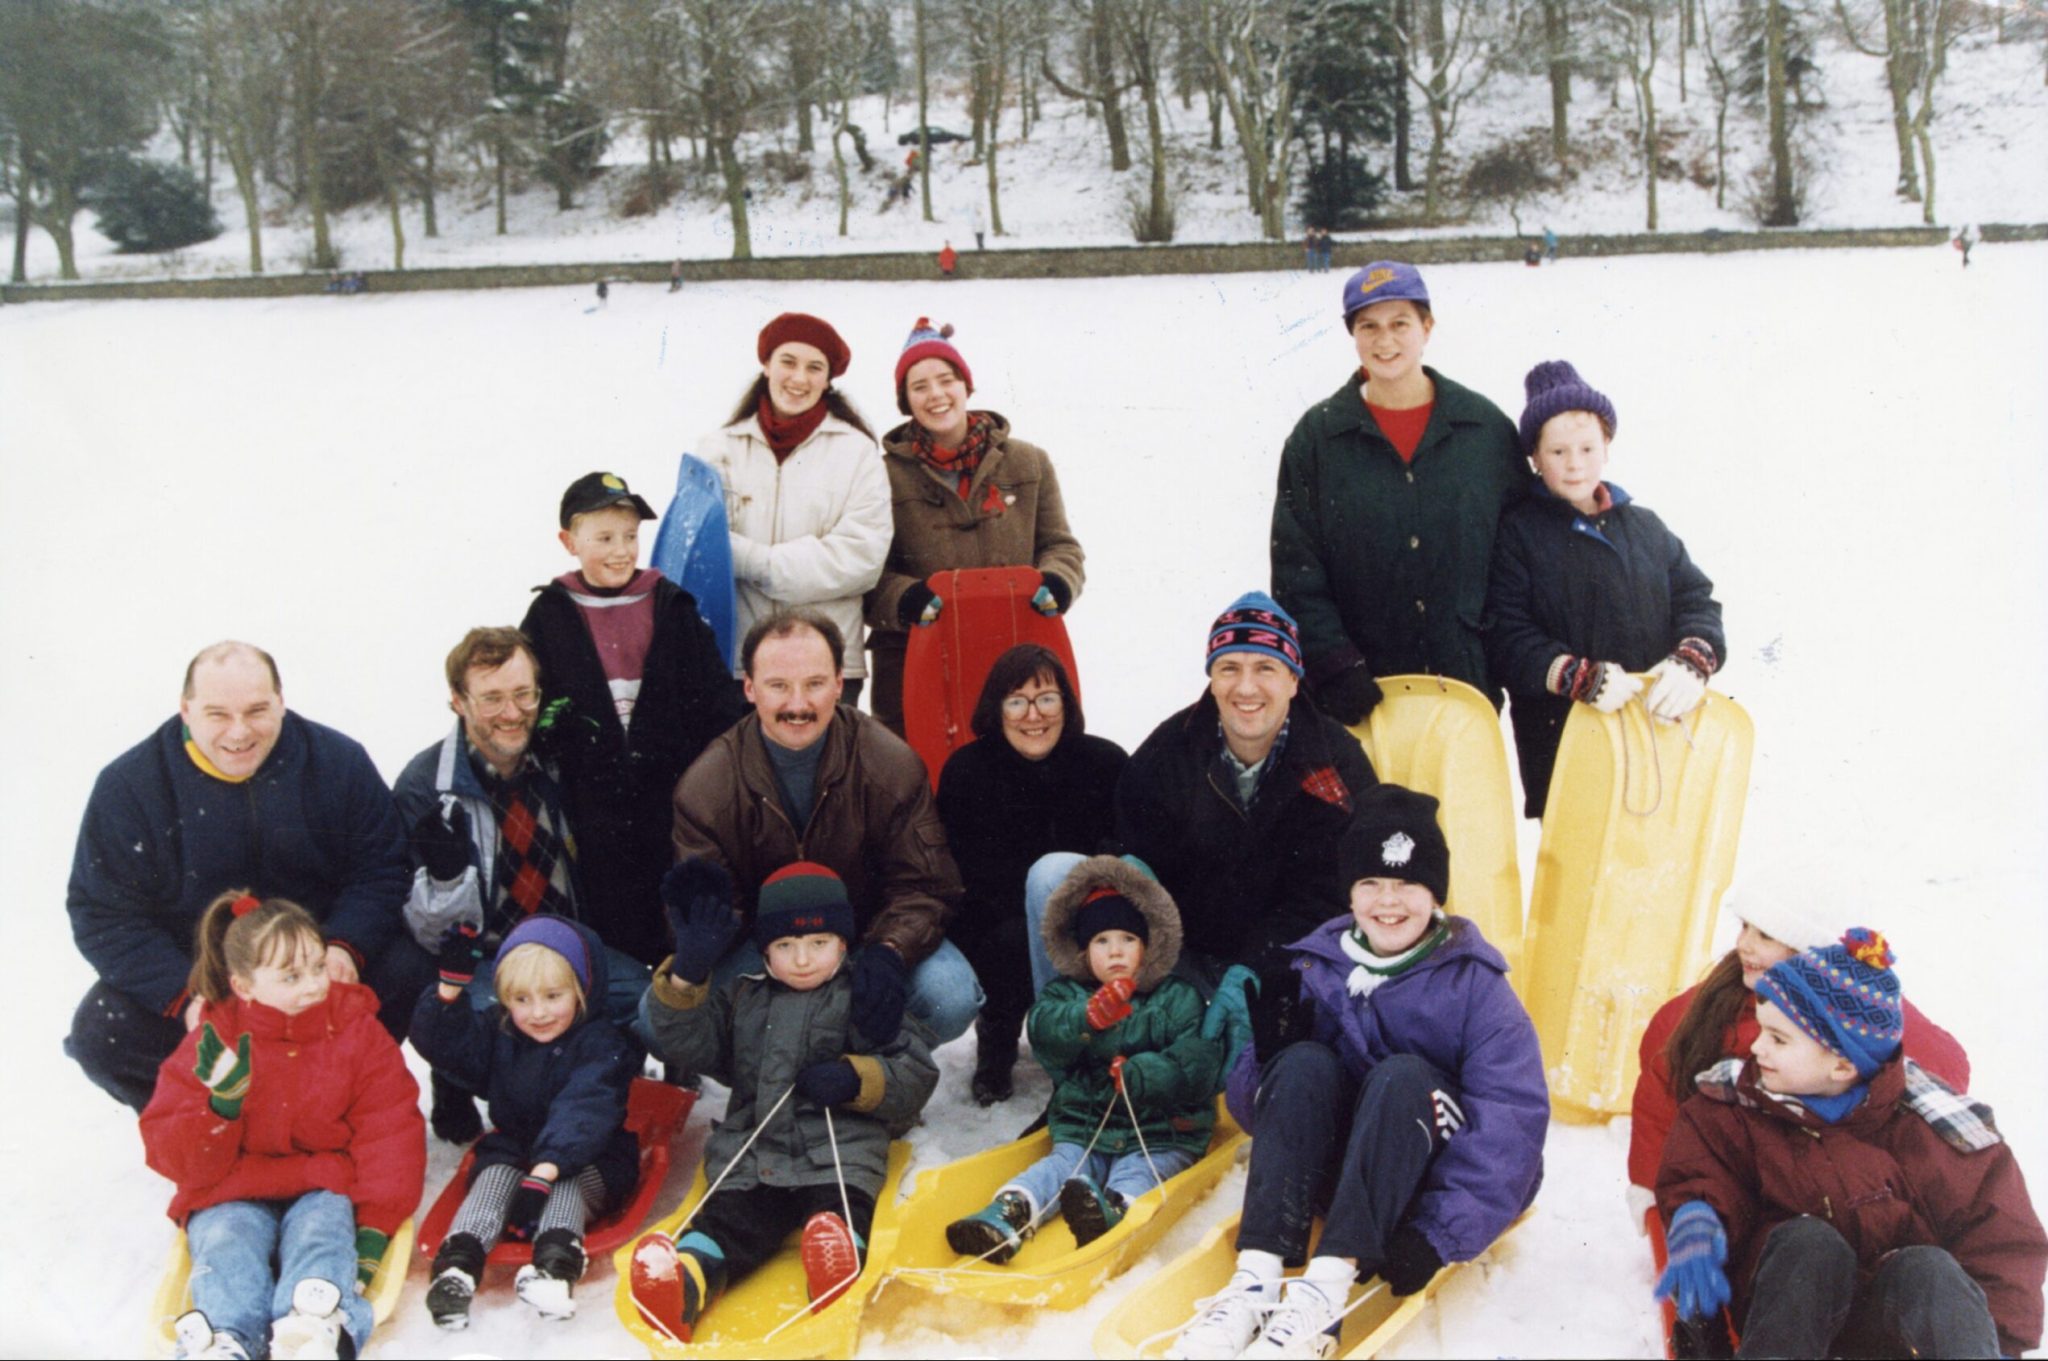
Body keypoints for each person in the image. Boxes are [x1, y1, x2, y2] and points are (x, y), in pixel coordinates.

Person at [1170, 786, 1547, 1360]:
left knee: (1401, 1077)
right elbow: (1258, 1115)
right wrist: (1268, 1060)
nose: (1388, 902)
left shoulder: (1474, 984)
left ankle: (1321, 1302)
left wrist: (1439, 1232)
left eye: (1407, 885)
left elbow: (1511, 1122)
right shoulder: (1314, 964)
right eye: (1371, 883)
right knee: (1301, 1064)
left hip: (1428, 1182)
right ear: (1349, 892)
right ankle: (1256, 1280)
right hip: (1344, 1177)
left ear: (1435, 895)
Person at [1655, 930, 2045, 1359]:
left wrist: (1995, 1342)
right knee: (1808, 1243)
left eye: (1778, 1039)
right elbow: (1701, 1172)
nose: (1756, 1046)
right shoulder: (1735, 1108)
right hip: (1785, 1319)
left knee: (1928, 1269)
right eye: (1763, 1029)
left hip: (1895, 1330)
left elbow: (2001, 1243)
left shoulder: (1932, 1128)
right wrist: (1697, 1219)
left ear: (1842, 1065)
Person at [65, 641, 416, 1112]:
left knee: (413, 969)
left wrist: (343, 946)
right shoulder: (130, 787)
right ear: (185, 710)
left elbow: (382, 866)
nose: (239, 732)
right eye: (217, 714)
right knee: (102, 1031)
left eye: (257, 711)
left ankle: (336, 1095)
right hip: (202, 976)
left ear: (281, 702)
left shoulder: (337, 763)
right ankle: (208, 1116)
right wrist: (184, 994)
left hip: (313, 972)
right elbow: (105, 913)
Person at [629, 861, 939, 1342]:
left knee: (838, 1211)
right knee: (729, 1223)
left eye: (819, 944)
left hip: (839, 1152)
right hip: (755, 1155)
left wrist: (857, 1078)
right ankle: (687, 1278)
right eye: (786, 946)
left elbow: (915, 1071)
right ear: (765, 951)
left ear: (843, 943)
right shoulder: (744, 999)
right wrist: (687, 978)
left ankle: (835, 1262)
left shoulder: (865, 995)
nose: (802, 959)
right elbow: (692, 1044)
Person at [1026, 592, 1374, 1002]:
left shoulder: (1334, 762)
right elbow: (1132, 862)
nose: (1246, 687)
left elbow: (1333, 897)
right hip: (1181, 958)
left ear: (1293, 680)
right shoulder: (1168, 751)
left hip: (1284, 959)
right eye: (1229, 668)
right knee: (1054, 873)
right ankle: (1077, 1038)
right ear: (1212, 677)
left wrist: (1255, 968)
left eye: (1265, 667)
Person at [670, 610, 982, 1044]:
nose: (798, 705)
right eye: (778, 686)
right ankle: (774, 1074)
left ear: (840, 683)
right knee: (671, 1017)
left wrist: (888, 951)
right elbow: (718, 912)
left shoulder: (889, 763)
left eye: (815, 684)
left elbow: (926, 885)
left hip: (865, 937)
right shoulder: (707, 787)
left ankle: (876, 1072)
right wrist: (782, 958)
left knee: (949, 995)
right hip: (768, 948)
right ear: (749, 688)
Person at [142, 891, 424, 1361]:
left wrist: (374, 1226)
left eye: (317, 967)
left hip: (319, 1180)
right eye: (291, 976)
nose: (313, 985)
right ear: (245, 986)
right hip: (232, 1186)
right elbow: (174, 1157)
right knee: (226, 1241)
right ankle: (226, 1338)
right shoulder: (215, 1042)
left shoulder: (355, 1031)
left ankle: (310, 1327)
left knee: (323, 1230)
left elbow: (390, 1128)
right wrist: (220, 1109)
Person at [1627, 880, 1972, 1230]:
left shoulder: (1856, 1011)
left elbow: (1942, 1065)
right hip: (1718, 1206)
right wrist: (1653, 1189)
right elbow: (1661, 1100)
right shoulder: (1710, 1008)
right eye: (1745, 927)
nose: (1743, 944)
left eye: (1766, 935)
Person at [1270, 261, 1530, 723]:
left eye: (1399, 324)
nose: (1384, 341)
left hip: (1467, 685)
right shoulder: (1317, 438)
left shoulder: (1484, 429)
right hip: (1361, 692)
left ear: (1427, 328)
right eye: (1368, 326)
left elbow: (1524, 555)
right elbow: (1296, 569)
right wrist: (1334, 666)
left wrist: (1501, 652)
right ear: (1352, 334)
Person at [519, 473, 743, 973]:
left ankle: (681, 1026)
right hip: (591, 806)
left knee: (675, 921)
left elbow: (714, 699)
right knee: (608, 931)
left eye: (630, 536)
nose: (621, 551)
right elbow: (534, 699)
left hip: (671, 799)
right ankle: (618, 1034)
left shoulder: (671, 605)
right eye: (604, 538)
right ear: (569, 542)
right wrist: (555, 726)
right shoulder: (548, 614)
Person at [948, 857, 1223, 1261]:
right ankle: (1010, 1209)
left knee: (1139, 1172)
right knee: (1060, 1169)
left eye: (1127, 940)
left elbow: (1197, 1063)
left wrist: (1144, 1074)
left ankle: (1113, 1210)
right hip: (1087, 1129)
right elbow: (1045, 1031)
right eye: (1101, 941)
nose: (1115, 952)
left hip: (1161, 1134)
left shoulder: (1177, 997)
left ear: (1149, 945)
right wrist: (1086, 1018)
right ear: (1082, 949)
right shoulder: (1066, 996)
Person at [1484, 360, 1726, 817]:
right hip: (1567, 745)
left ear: (1607, 447)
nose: (1574, 464)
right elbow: (1506, 635)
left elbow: (1697, 599)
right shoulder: (1518, 535)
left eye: (1586, 448)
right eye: (1557, 452)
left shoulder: (1646, 529)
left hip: (1659, 734)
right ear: (1534, 457)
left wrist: (1693, 660)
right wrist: (1577, 677)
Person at [414, 915, 639, 1329]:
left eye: (553, 996)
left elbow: (585, 1108)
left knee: (566, 1190)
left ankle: (554, 1268)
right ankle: (458, 1268)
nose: (538, 1014)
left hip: (589, 1154)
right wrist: (448, 991)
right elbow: (449, 1049)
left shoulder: (599, 1042)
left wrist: (546, 1170)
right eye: (521, 1000)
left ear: (582, 990)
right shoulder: (501, 1032)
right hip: (517, 1145)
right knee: (492, 1179)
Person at [865, 318, 1086, 735]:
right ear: (905, 400)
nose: (936, 395)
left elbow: (1061, 546)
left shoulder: (1029, 462)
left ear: (966, 386)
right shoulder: (880, 476)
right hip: (919, 659)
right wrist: (904, 598)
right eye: (919, 386)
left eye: (946, 380)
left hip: (1018, 653)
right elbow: (867, 572)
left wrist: (1058, 580)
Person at [938, 645, 1125, 1104]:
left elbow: (1124, 848)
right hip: (1000, 919)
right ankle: (998, 1039)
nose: (1032, 715)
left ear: (1067, 703)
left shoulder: (1106, 762)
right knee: (1008, 940)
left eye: (1046, 698)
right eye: (1016, 701)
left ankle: (1103, 1044)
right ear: (996, 709)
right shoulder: (967, 771)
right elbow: (961, 869)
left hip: (1089, 915)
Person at [695, 312, 891, 703]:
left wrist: (759, 564)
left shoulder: (858, 453)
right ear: (766, 365)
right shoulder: (719, 449)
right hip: (740, 666)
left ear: (828, 379)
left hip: (827, 666)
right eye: (788, 362)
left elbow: (861, 557)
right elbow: (698, 549)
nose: (799, 378)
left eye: (814, 367)